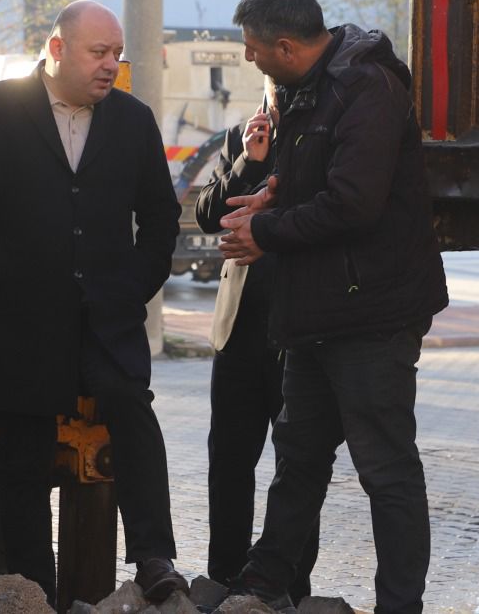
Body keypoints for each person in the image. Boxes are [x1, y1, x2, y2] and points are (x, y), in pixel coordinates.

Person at [0, 1, 189, 608]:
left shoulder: (133, 120)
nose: (111, 66)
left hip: (107, 316)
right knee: (24, 453)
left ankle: (154, 558)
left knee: (132, 414)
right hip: (20, 320)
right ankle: (32, 586)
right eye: (99, 53)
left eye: (117, 54)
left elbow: (162, 217)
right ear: (58, 48)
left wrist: (132, 288)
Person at [218, 0, 448, 614]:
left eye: (253, 48)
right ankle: (262, 587)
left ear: (286, 46)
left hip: (371, 314)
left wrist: (265, 231)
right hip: (316, 312)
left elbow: (353, 204)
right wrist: (271, 194)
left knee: (386, 470)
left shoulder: (366, 88)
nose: (248, 58)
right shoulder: (307, 89)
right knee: (298, 458)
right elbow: (317, 177)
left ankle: (398, 605)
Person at [194, 81, 317, 602]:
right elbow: (207, 216)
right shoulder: (245, 139)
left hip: (299, 330)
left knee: (297, 465)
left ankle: (288, 580)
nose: (275, 103)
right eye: (270, 93)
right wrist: (246, 161)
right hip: (241, 330)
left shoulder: (324, 139)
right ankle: (224, 573)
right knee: (230, 458)